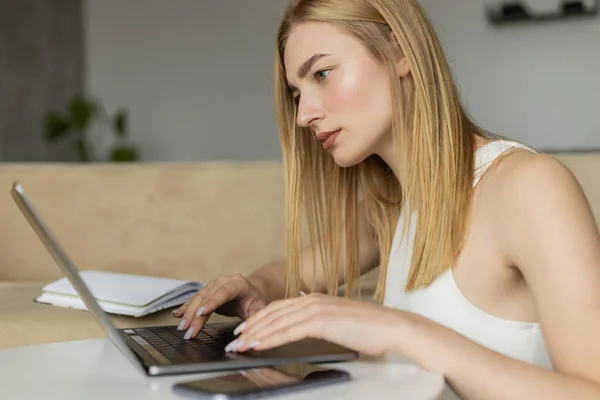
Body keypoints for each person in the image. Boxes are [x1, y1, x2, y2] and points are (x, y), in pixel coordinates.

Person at [173, 0, 600, 398]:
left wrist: (398, 329)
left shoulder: (528, 188)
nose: (304, 115)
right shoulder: (392, 206)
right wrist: (251, 289)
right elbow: (294, 272)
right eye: (297, 93)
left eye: (322, 74)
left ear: (400, 51)